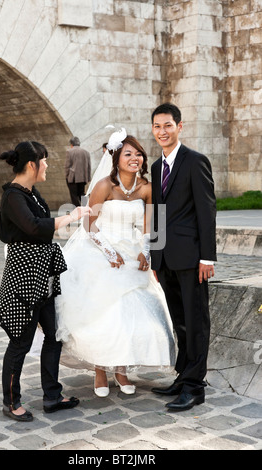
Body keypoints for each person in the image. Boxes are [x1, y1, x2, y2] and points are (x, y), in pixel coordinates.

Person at [55, 128, 176, 397]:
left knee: (129, 314)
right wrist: (109, 252)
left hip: (132, 251)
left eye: (139, 154)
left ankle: (121, 370)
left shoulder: (147, 187)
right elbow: (88, 222)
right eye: (128, 154)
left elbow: (150, 224)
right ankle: (100, 369)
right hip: (100, 251)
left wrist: (147, 251)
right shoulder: (104, 186)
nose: (135, 158)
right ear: (116, 158)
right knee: (104, 312)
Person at [0, 141, 91, 421]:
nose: (48, 165)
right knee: (20, 342)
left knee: (53, 334)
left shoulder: (30, 192)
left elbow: (38, 227)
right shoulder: (13, 196)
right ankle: (11, 402)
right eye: (44, 161)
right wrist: (70, 217)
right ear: (32, 164)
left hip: (42, 276)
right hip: (25, 279)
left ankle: (52, 395)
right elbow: (34, 227)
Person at [150, 103, 217, 411]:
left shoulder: (195, 161)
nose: (162, 131)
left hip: (192, 258)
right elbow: (157, 214)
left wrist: (208, 257)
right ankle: (182, 376)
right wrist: (154, 256)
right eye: (157, 127)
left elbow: (206, 211)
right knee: (179, 322)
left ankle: (195, 386)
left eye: (167, 125)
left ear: (179, 126)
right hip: (165, 259)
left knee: (196, 321)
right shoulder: (155, 167)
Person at [65, 136, 91, 206]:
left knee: (73, 195)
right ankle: (86, 206)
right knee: (82, 193)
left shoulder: (69, 152)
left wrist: (67, 176)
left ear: (71, 144)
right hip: (83, 177)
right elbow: (89, 166)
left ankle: (77, 209)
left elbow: (67, 165)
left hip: (72, 177)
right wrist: (88, 178)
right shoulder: (86, 152)